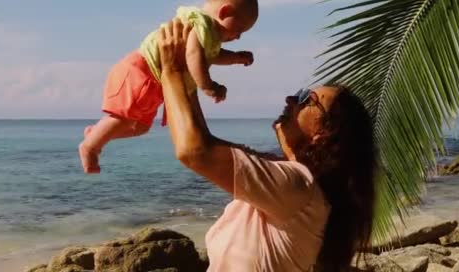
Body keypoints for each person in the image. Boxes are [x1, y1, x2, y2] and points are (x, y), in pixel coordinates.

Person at [156, 19, 379, 272]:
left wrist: (170, 70)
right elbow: (205, 141)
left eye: (308, 99)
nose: (291, 99)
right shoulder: (296, 186)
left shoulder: (297, 187)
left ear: (323, 133)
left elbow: (195, 151)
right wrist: (189, 77)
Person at [79, 0, 259, 173]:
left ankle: (98, 134)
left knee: (140, 127)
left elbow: (213, 55)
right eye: (239, 29)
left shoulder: (209, 37)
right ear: (224, 12)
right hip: (141, 73)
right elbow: (193, 55)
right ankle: (90, 147)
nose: (238, 36)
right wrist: (207, 85)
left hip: (155, 83)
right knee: (124, 120)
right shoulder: (201, 25)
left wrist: (236, 58)